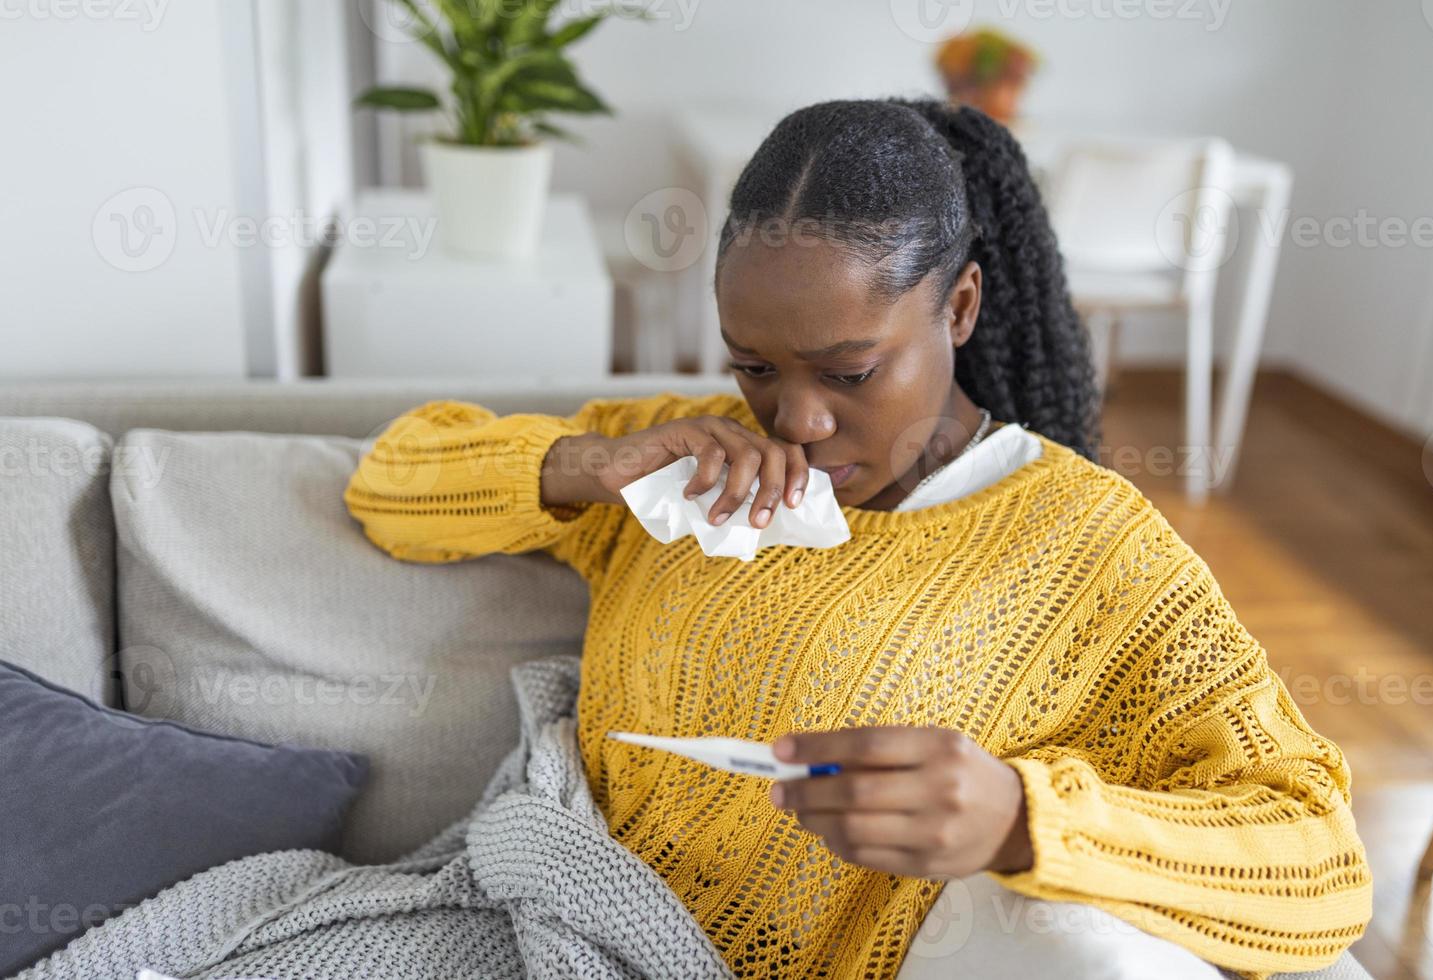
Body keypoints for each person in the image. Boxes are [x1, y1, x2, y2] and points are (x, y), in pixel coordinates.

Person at [343, 97, 1371, 979]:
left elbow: (1319, 860)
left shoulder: (1086, 549)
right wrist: (584, 469)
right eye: (755, 364)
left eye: (848, 373)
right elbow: (387, 481)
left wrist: (1024, 819)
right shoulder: (680, 459)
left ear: (959, 304)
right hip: (519, 916)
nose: (796, 420)